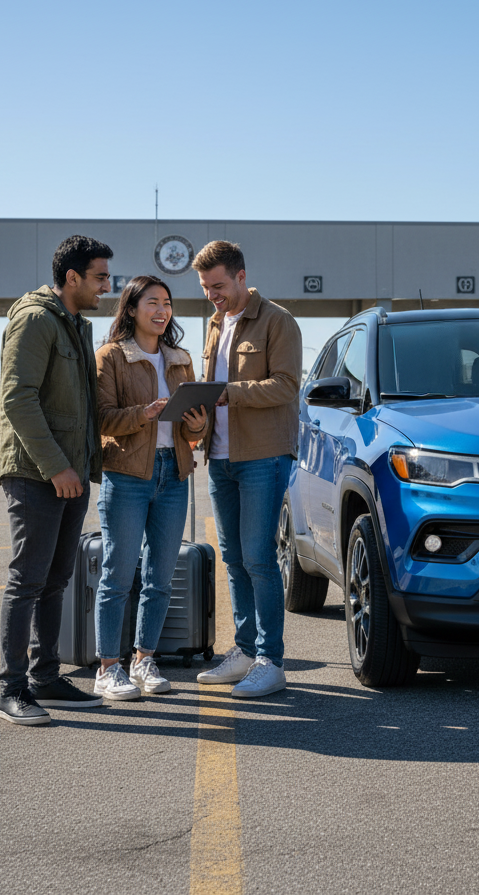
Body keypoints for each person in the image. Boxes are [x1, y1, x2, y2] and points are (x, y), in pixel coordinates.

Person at [0, 235, 113, 726]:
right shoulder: (36, 319)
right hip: (38, 471)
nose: (107, 286)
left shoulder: (76, 326)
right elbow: (17, 398)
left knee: (57, 580)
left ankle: (45, 677)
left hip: (71, 472)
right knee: (28, 580)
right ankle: (11, 689)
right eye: (100, 277)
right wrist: (56, 467)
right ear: (73, 278)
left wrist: (81, 467)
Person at [193, 240, 303, 698]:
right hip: (220, 457)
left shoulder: (278, 321)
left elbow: (285, 386)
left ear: (241, 275)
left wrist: (227, 393)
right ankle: (242, 651)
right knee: (235, 560)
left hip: (262, 456)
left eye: (217, 285)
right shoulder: (215, 325)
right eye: (205, 288)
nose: (212, 295)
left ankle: (270, 660)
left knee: (259, 559)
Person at [93, 276, 207, 700]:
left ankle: (144, 660)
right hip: (126, 474)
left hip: (173, 473)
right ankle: (108, 667)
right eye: (152, 303)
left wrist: (197, 424)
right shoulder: (110, 357)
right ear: (132, 308)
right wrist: (145, 413)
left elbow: (197, 427)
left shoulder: (180, 359)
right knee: (118, 575)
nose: (162, 311)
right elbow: (102, 418)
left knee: (161, 576)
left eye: (167, 303)